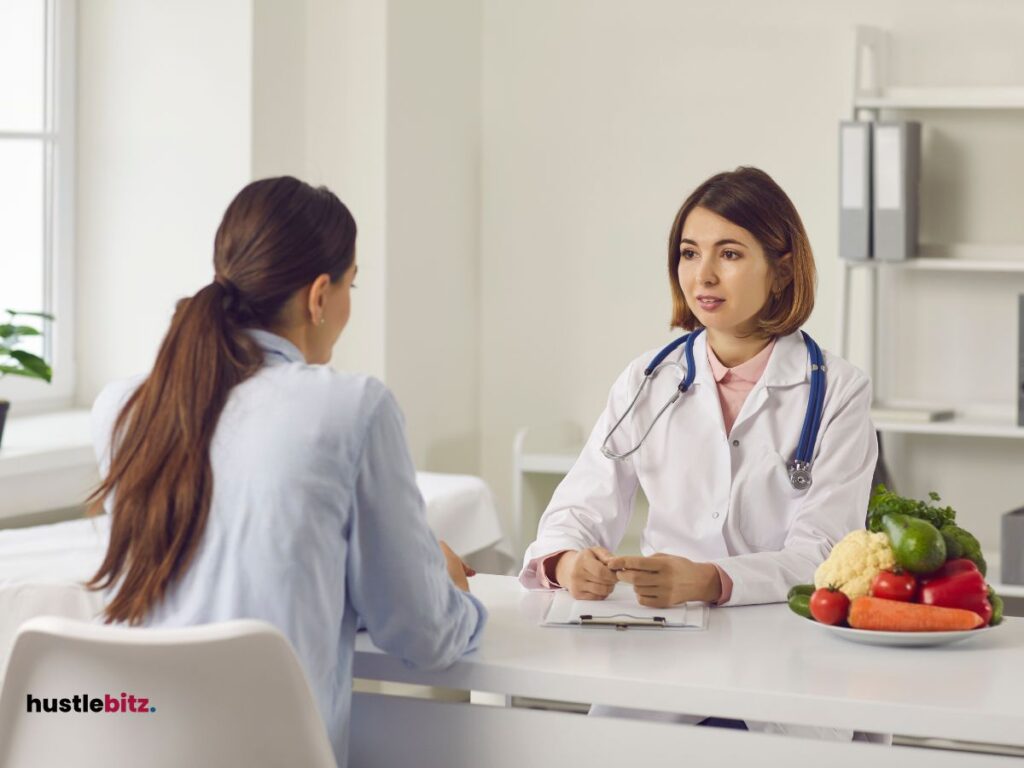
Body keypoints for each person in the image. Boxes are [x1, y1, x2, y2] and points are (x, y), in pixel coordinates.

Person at [86, 176, 486, 766]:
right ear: (319, 296)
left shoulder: (122, 409)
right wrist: (449, 586)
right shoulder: (351, 407)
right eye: (353, 285)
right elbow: (421, 634)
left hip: (130, 744)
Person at [520, 167, 878, 739]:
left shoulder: (838, 390)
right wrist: (567, 562)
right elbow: (580, 506)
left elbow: (824, 556)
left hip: (786, 666)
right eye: (689, 253)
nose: (703, 275)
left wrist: (710, 580)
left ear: (782, 268)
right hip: (658, 660)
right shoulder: (647, 378)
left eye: (730, 253)